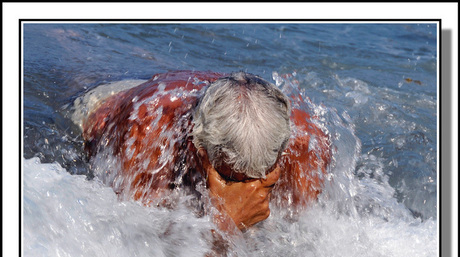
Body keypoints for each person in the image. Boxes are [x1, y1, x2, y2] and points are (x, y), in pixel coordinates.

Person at [80, 70, 331, 235]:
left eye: (262, 177)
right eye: (231, 179)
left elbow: (299, 230)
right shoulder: (146, 130)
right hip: (112, 101)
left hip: (219, 99)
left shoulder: (307, 147)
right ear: (196, 148)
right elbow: (134, 243)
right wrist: (225, 227)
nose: (248, 191)